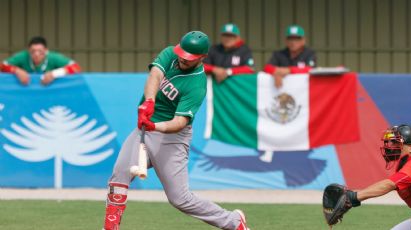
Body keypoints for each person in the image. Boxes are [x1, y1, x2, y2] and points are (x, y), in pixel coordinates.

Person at [102, 31, 249, 230]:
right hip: (144, 129)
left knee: (180, 199)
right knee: (119, 175)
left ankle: (233, 221)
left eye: (189, 58)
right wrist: (149, 101)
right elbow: (155, 75)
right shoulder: (171, 54)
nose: (182, 59)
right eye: (182, 53)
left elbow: (179, 122)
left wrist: (156, 126)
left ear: (202, 58)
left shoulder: (197, 84)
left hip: (172, 138)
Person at [326, 124, 411, 230]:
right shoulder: (406, 165)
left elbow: (389, 184)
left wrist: (353, 197)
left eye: (397, 143)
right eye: (393, 142)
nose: (392, 146)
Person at [0, 36, 81, 86]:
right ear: (28, 50)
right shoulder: (23, 56)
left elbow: (76, 67)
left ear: (46, 50)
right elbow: (2, 66)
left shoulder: (53, 57)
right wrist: (17, 71)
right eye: (33, 51)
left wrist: (55, 74)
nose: (36, 54)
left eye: (40, 51)